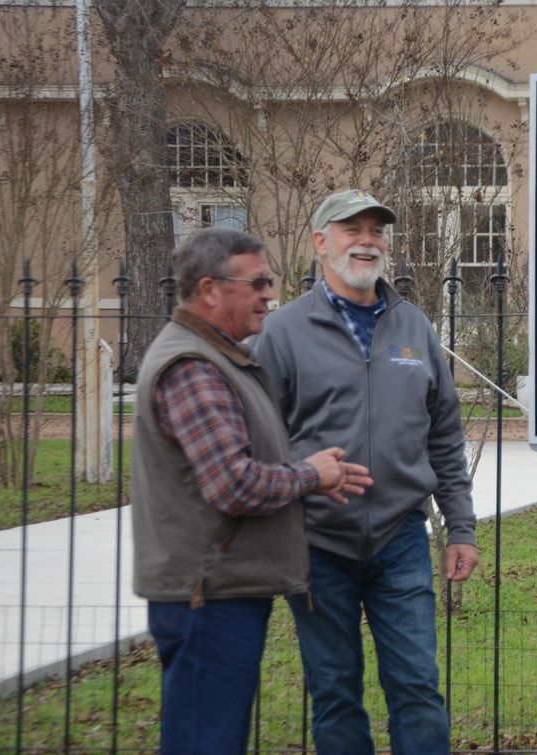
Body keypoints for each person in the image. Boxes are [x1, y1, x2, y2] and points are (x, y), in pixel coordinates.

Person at [131, 227, 373, 754]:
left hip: (222, 590)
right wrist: (311, 475)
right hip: (208, 596)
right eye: (258, 282)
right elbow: (233, 484)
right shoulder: (193, 367)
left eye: (271, 281)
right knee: (206, 741)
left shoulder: (222, 356)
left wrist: (306, 474)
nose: (270, 294)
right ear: (210, 290)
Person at [255, 189, 479, 754]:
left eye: (376, 230)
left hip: (400, 538)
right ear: (319, 243)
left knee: (418, 688)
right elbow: (258, 437)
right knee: (333, 692)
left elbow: (445, 436)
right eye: (351, 228)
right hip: (317, 543)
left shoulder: (414, 328)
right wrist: (300, 475)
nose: (367, 240)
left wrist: (462, 527)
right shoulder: (283, 333)